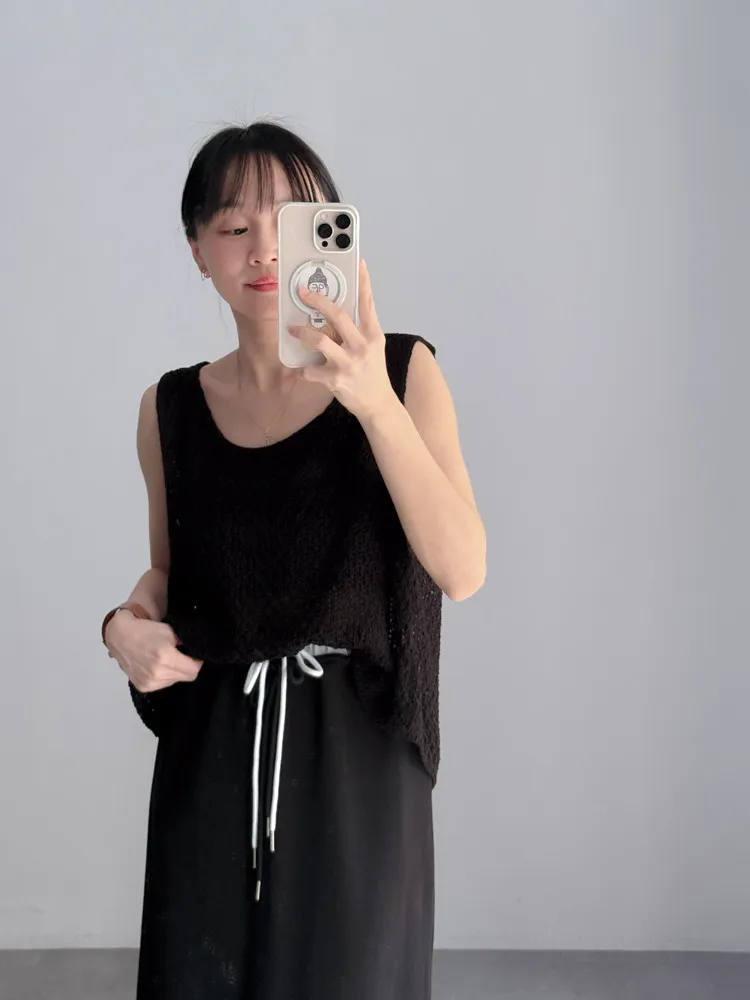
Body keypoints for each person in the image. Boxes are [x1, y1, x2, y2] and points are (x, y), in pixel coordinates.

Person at [101, 119, 486, 1000]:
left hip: (356, 757)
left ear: (333, 232)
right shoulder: (168, 410)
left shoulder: (404, 371)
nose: (264, 250)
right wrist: (122, 626)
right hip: (210, 754)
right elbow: (169, 577)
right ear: (198, 250)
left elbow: (462, 569)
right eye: (234, 226)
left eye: (291, 221)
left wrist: (373, 403)